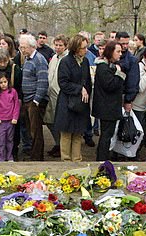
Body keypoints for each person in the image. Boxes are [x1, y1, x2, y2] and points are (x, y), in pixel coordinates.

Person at [53, 34, 92, 162]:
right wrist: (79, 89)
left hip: (81, 103)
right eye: (83, 48)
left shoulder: (85, 61)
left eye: (86, 47)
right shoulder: (65, 62)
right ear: (76, 48)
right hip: (67, 103)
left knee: (77, 133)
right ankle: (65, 161)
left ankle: (76, 160)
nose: (86, 50)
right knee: (66, 134)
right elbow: (63, 83)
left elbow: (87, 81)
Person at [92, 40, 125, 161]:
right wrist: (119, 74)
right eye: (118, 51)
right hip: (106, 108)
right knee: (106, 135)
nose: (120, 54)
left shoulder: (107, 66)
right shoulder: (103, 68)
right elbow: (110, 86)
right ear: (111, 52)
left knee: (107, 135)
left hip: (109, 107)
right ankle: (102, 159)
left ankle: (103, 157)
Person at [19, 34, 49, 161]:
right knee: (30, 130)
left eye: (24, 47)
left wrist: (36, 100)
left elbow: (43, 81)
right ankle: (32, 153)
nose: (22, 50)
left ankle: (37, 157)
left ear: (31, 46)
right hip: (27, 99)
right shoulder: (27, 59)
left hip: (34, 101)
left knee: (36, 131)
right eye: (21, 47)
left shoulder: (40, 60)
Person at [45, 34, 69, 158]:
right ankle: (57, 142)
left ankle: (62, 146)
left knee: (59, 122)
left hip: (61, 94)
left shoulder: (68, 59)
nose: (58, 47)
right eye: (56, 45)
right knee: (49, 121)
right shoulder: (54, 57)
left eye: (60, 45)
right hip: (50, 93)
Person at [0, 72, 20, 161]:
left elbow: (16, 105)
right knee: (1, 141)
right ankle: (1, 157)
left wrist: (15, 117)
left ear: (8, 81)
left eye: (5, 82)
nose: (3, 84)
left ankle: (9, 156)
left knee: (10, 140)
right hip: (1, 121)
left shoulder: (13, 91)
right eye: (1, 82)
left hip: (11, 120)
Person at [116, 32, 139, 117]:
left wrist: (128, 100)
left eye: (126, 43)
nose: (125, 46)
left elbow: (133, 82)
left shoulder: (131, 60)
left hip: (123, 95)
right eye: (123, 44)